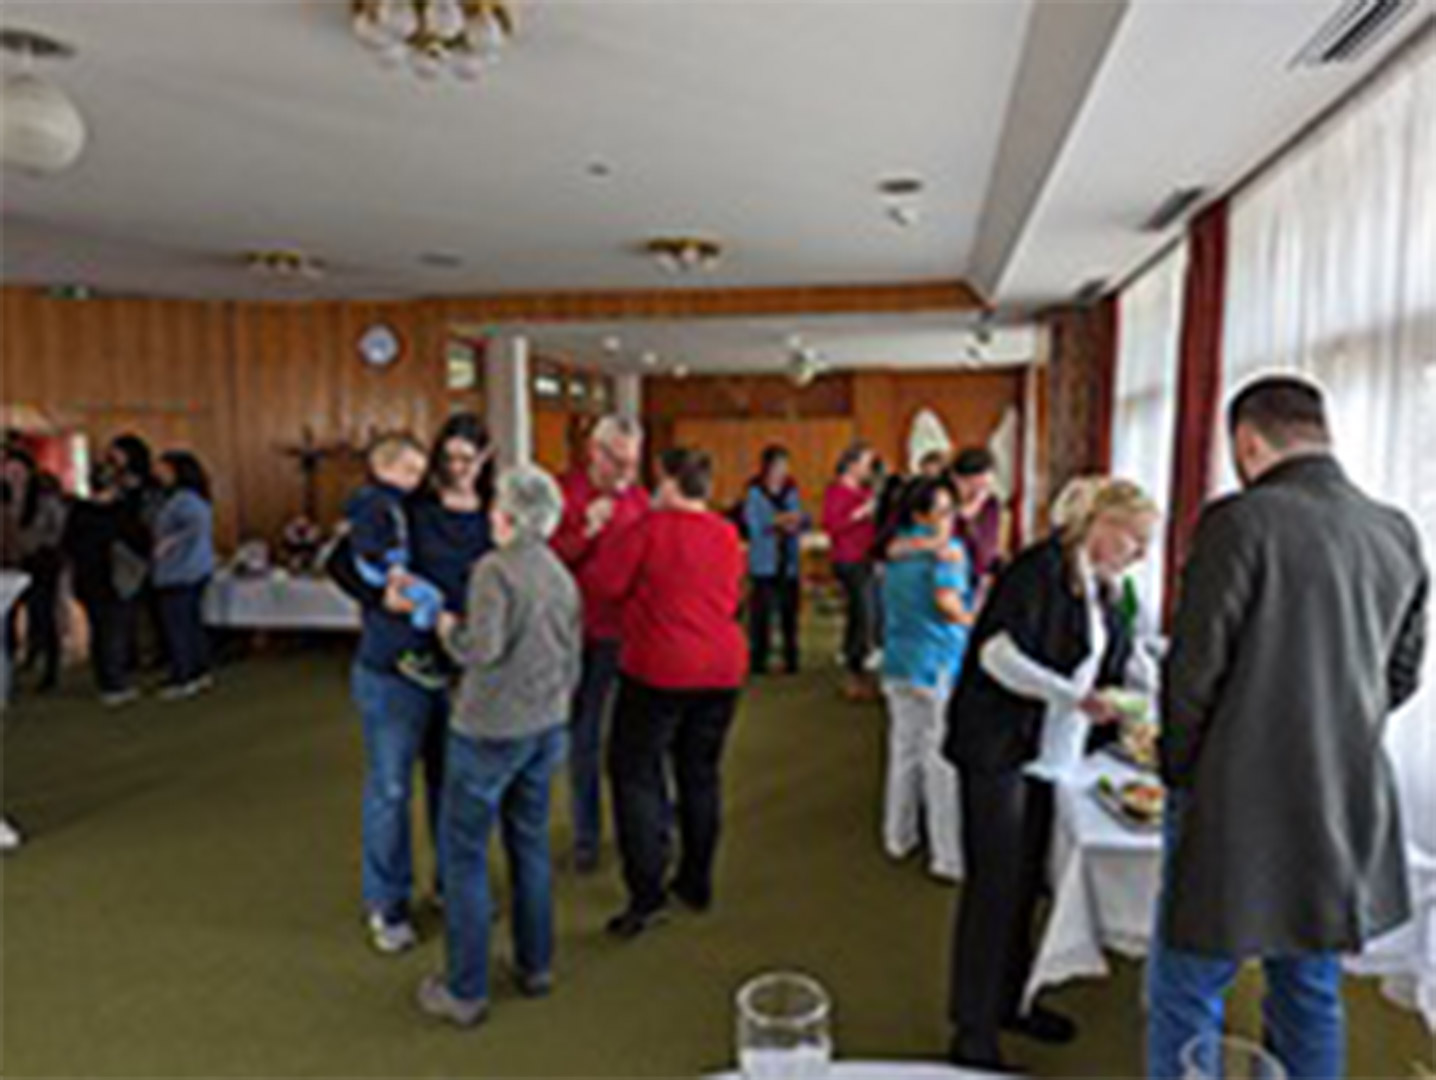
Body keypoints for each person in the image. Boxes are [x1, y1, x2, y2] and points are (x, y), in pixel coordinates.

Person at [1147, 377, 1428, 1080]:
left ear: (1246, 442)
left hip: (1234, 798)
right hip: (1344, 795)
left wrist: (1181, 773)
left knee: (1187, 991)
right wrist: (1328, 722)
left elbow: (1192, 674)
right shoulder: (1396, 530)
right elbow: (1401, 675)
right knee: (1310, 990)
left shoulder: (1239, 522)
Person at [944, 479, 1158, 1071]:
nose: (1141, 552)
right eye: (1135, 539)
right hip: (997, 747)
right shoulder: (1037, 570)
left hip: (1048, 754)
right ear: (1100, 523)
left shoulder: (1107, 589)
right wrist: (1074, 697)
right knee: (993, 889)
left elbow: (1122, 662)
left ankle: (1011, 1001)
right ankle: (972, 1033)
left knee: (1025, 885)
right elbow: (997, 655)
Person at [416, 465, 581, 1029]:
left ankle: (465, 990)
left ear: (508, 516)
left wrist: (444, 626)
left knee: (463, 855)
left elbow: (478, 650)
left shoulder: (493, 570)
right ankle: (536, 966)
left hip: (489, 731)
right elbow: (571, 658)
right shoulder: (559, 573)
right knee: (529, 846)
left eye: (495, 506)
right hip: (546, 727)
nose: (489, 513)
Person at [596, 447, 747, 939]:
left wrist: (604, 534)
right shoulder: (727, 532)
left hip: (660, 668)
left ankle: (647, 896)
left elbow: (604, 585)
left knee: (635, 774)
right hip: (722, 669)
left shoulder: (650, 529)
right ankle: (696, 882)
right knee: (699, 774)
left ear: (667, 482)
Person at [405, 412, 498, 903]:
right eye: (451, 458)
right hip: (431, 652)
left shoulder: (495, 512)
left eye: (469, 458)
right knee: (440, 771)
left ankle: (469, 871)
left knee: (480, 776)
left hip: (482, 656)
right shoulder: (421, 510)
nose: (459, 468)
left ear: (485, 458)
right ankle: (448, 878)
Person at [550, 415, 649, 873]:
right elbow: (544, 563)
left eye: (633, 463)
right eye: (619, 462)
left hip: (626, 633)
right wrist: (585, 530)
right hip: (574, 634)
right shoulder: (563, 492)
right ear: (595, 451)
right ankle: (587, 836)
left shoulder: (638, 498)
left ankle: (642, 831)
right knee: (583, 738)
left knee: (632, 738)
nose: (626, 474)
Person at [876, 477, 975, 881]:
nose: (953, 517)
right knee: (941, 762)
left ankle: (897, 837)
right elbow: (947, 604)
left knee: (904, 752)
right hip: (935, 663)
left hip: (898, 660)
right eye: (945, 510)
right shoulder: (947, 553)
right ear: (922, 515)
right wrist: (977, 620)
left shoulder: (897, 546)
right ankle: (947, 858)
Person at [345, 435, 448, 691]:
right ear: (382, 468)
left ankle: (421, 650)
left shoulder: (396, 502)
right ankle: (414, 651)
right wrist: (388, 579)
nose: (415, 480)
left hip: (389, 571)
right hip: (383, 577)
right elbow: (358, 550)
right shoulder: (377, 503)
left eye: (420, 473)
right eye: (409, 471)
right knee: (429, 599)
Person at [62, 463, 146, 706]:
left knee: (99, 630)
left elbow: (67, 544)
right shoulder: (121, 512)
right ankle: (114, 683)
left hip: (86, 578)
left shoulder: (79, 511)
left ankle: (106, 678)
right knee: (115, 631)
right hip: (114, 577)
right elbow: (140, 541)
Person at [151, 450, 216, 699]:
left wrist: (169, 542)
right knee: (190, 623)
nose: (158, 474)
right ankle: (197, 671)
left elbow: (195, 526)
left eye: (163, 469)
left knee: (178, 625)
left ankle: (184, 676)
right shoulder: (184, 497)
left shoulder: (185, 499)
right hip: (191, 568)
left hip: (181, 570)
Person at [823, 442, 880, 701]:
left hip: (866, 558)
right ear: (852, 464)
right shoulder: (836, 491)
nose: (870, 468)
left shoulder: (865, 490)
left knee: (864, 615)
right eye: (867, 463)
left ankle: (855, 666)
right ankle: (855, 670)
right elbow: (831, 524)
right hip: (848, 559)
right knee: (864, 614)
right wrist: (860, 513)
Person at [742, 445, 806, 676]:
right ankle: (759, 660)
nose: (782, 470)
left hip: (788, 562)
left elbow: (799, 516)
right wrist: (779, 521)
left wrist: (792, 521)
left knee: (790, 614)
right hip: (764, 563)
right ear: (767, 466)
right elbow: (754, 522)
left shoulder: (791, 489)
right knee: (761, 616)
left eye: (785, 465)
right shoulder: (755, 491)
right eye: (778, 465)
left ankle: (791, 659)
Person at [13, 460, 67, 693]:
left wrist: (38, 545)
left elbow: (59, 530)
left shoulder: (46, 502)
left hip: (43, 562)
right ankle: (27, 658)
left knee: (43, 613)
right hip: (19, 561)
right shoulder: (14, 501)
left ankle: (50, 668)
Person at [949, 447, 1003, 586]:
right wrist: (975, 504)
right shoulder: (942, 501)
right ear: (956, 479)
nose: (978, 493)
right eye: (972, 485)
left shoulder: (991, 505)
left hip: (980, 577)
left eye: (984, 487)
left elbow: (990, 545)